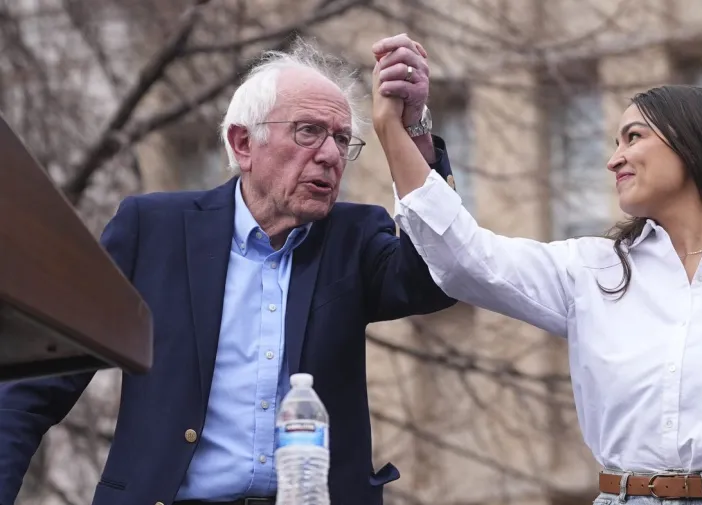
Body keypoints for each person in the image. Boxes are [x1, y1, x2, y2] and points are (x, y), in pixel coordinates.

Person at [371, 38, 702, 505]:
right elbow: (466, 261)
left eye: (633, 137)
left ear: (692, 144)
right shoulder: (592, 271)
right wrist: (400, 130)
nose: (614, 159)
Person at [0, 35, 456, 505]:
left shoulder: (354, 237)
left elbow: (438, 280)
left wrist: (414, 132)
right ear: (243, 144)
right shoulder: (151, 230)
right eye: (308, 132)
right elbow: (35, 388)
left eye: (342, 139)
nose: (330, 154)